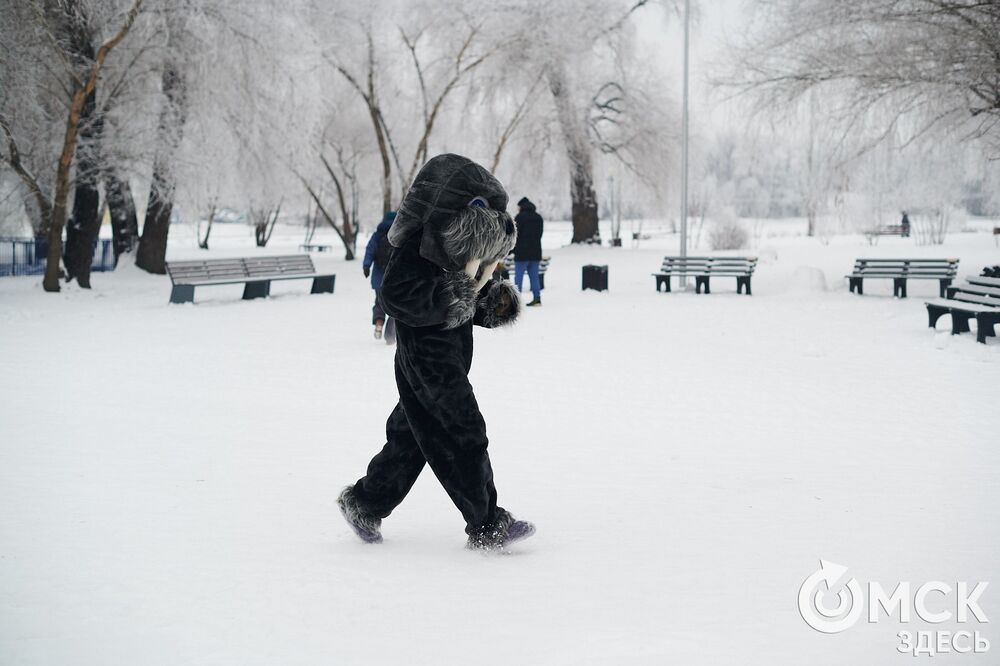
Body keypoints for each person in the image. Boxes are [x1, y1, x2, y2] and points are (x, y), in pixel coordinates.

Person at [337, 153, 535, 551]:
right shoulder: (417, 247)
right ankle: (485, 522)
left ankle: (365, 502)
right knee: (463, 431)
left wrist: (490, 304)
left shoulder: (455, 252)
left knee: (410, 439)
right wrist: (457, 294)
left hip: (449, 356)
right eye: (477, 206)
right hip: (427, 360)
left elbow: (467, 299)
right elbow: (397, 296)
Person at [363, 211, 396, 342]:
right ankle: (390, 335)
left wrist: (366, 266)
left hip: (379, 277)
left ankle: (378, 322)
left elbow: (369, 250)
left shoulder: (377, 235)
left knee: (379, 302)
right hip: (394, 278)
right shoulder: (399, 235)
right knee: (395, 305)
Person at [513, 197, 544, 306]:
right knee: (534, 277)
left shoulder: (519, 218)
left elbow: (515, 235)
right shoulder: (538, 218)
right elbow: (540, 235)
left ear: (521, 207)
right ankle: (537, 298)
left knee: (518, 277)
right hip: (535, 252)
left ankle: (516, 301)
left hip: (522, 253)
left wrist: (512, 250)